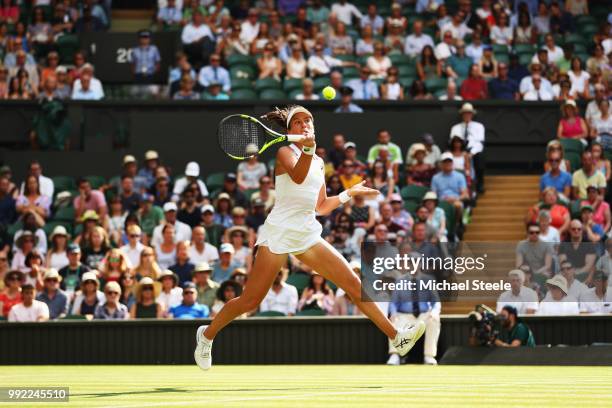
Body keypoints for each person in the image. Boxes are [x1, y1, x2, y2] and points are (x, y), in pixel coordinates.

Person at [194, 105, 426, 370]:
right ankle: (207, 335)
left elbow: (321, 206)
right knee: (251, 300)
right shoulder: (284, 152)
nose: (305, 125)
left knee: (352, 282)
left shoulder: (317, 161)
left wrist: (349, 193)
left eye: (309, 121)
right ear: (290, 129)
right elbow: (298, 175)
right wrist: (307, 148)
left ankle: (396, 338)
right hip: (279, 231)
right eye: (299, 122)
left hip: (306, 231)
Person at [387, 262, 441, 365]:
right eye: (411, 263)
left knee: (434, 320)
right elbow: (393, 302)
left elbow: (436, 301)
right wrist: (393, 313)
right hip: (404, 316)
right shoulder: (400, 281)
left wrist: (434, 312)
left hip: (424, 315)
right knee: (393, 321)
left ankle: (429, 356)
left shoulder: (428, 280)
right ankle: (394, 355)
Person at [449, 103, 486, 193]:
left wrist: (471, 153)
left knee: (480, 157)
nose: (467, 115)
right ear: (462, 114)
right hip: (459, 150)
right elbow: (454, 141)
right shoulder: (455, 128)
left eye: (469, 113)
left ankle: (479, 184)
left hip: (474, 151)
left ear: (472, 114)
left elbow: (480, 143)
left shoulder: (479, 126)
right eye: (465, 113)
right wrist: (462, 153)